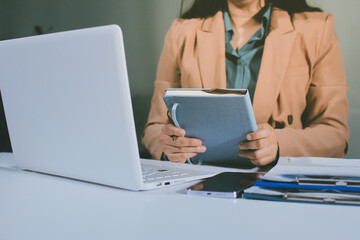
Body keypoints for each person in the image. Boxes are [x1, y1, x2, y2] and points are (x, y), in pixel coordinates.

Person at [142, 0, 349, 166]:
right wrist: (170, 146)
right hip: (201, 180)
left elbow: (335, 133)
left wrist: (279, 144)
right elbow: (155, 127)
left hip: (277, 181)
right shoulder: (181, 31)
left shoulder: (317, 28)